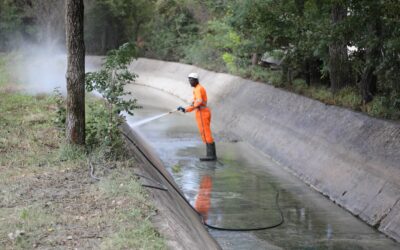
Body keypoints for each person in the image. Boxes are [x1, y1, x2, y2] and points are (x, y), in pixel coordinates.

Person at [177, 73, 217, 161]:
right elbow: (196, 103)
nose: (190, 82)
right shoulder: (197, 88)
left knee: (205, 133)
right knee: (205, 132)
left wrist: (193, 104)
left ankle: (211, 156)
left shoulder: (198, 89)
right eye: (189, 80)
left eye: (191, 80)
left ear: (195, 80)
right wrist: (186, 109)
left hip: (202, 113)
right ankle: (211, 155)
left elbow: (198, 102)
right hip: (202, 112)